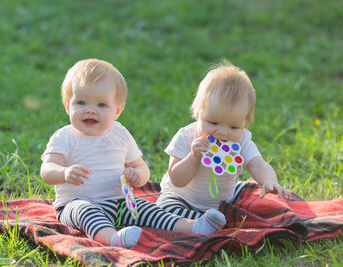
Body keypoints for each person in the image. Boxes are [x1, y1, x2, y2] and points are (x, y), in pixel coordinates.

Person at [40, 58, 227, 249]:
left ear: (117, 110)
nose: (90, 110)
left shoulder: (120, 134)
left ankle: (195, 226)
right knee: (85, 212)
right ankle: (113, 238)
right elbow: (47, 170)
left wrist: (137, 176)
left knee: (150, 209)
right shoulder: (64, 137)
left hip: (119, 202)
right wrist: (64, 173)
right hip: (75, 203)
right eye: (81, 102)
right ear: (67, 105)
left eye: (102, 105)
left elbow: (141, 168)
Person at [157, 60, 291, 225]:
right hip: (181, 198)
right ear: (198, 114)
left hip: (221, 205)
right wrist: (193, 156)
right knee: (165, 208)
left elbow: (258, 165)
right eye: (213, 123)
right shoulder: (186, 136)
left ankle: (210, 222)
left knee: (247, 196)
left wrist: (269, 180)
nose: (222, 132)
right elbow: (177, 179)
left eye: (234, 127)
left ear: (244, 123)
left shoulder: (242, 141)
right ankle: (196, 225)